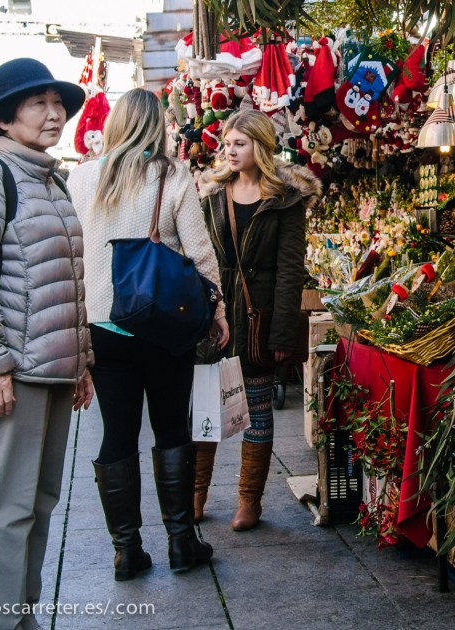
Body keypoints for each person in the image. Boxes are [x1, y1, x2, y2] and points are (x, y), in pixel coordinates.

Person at [0, 58, 93, 630]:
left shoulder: (50, 179)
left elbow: (68, 283)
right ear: (5, 118)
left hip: (52, 372)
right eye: (39, 103)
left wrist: (81, 363)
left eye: (59, 103)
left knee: (37, 505)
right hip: (10, 375)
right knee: (3, 512)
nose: (55, 113)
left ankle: (20, 619)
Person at [67, 88, 229, 580]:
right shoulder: (172, 175)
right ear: (156, 126)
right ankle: (182, 542)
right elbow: (199, 252)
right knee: (171, 427)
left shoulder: (80, 178)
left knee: (116, 433)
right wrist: (217, 308)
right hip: (162, 324)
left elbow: (74, 253)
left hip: (104, 324)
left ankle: (126, 551)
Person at [197, 109, 320, 530]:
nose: (230, 150)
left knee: (258, 408)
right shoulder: (211, 193)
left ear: (261, 147)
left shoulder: (284, 200)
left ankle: (249, 500)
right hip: (212, 314)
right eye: (227, 143)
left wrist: (283, 330)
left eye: (240, 143)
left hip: (257, 316)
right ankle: (196, 495)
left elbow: (291, 268)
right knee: (204, 407)